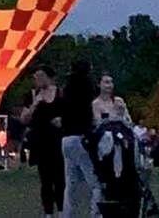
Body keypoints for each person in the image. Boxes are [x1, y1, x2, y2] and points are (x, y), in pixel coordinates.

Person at [59, 60, 101, 218]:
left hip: (66, 139)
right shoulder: (87, 87)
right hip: (81, 138)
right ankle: (95, 214)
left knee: (71, 184)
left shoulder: (67, 88)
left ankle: (67, 214)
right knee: (95, 183)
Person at [21, 66, 65, 218]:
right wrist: (35, 104)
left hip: (58, 141)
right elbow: (24, 119)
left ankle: (61, 210)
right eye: (35, 77)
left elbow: (69, 114)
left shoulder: (61, 94)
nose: (37, 80)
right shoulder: (32, 95)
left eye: (39, 76)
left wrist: (62, 120)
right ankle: (48, 212)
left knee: (60, 178)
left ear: (48, 77)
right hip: (40, 141)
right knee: (45, 179)